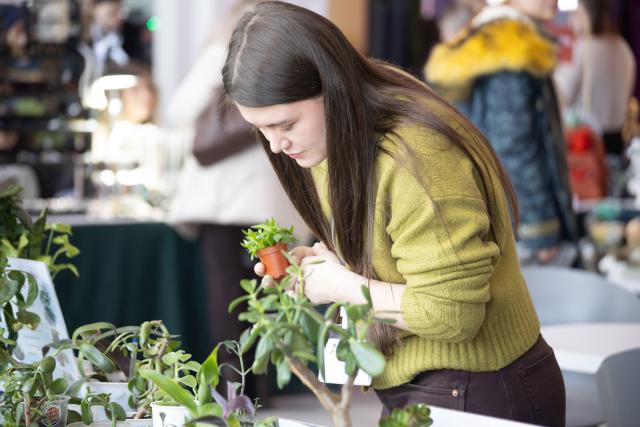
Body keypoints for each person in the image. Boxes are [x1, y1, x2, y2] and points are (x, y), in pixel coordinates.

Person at [222, 2, 565, 425]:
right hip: (421, 382)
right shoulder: (335, 137)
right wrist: (328, 264)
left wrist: (344, 286)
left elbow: (452, 313)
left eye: (285, 124)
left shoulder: (414, 155)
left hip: (480, 390)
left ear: (332, 86)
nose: (276, 145)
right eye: (261, 130)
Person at [166, 0, 309, 400]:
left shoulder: (225, 52)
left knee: (228, 299)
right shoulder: (284, 56)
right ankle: (264, 388)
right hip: (274, 203)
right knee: (271, 294)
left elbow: (179, 110)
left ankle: (233, 393)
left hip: (223, 203)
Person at [425, 0, 577, 266]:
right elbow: (514, 149)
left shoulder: (493, 39)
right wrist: (540, 228)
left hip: (495, 217)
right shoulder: (510, 46)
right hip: (518, 227)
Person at [555, 0, 636, 156]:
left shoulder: (582, 49)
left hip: (587, 145)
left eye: (575, 12)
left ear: (586, 14)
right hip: (617, 144)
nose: (570, 20)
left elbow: (561, 95)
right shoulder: (624, 48)